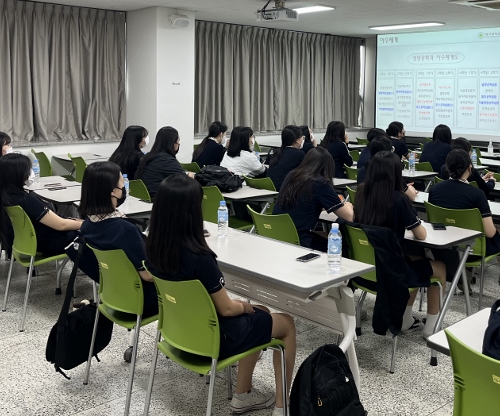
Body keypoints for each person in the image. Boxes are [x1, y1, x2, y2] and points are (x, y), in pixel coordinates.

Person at [145, 174, 296, 416]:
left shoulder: (154, 249)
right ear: (191, 212)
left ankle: (243, 395)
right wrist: (243, 306)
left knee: (263, 313)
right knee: (285, 323)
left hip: (180, 335)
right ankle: (282, 406)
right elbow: (226, 309)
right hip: (213, 340)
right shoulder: (200, 258)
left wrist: (245, 307)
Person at [354, 151, 448, 337]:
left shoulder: (361, 193)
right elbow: (421, 235)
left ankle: (406, 320)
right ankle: (431, 327)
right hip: (391, 272)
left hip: (366, 269)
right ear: (396, 173)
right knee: (440, 268)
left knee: (415, 259)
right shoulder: (398, 198)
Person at [77, 160, 157, 316]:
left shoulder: (87, 226)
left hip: (112, 295)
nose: (124, 187)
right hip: (142, 300)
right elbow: (148, 275)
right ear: (113, 191)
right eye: (122, 184)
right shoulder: (125, 230)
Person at [427, 149, 500, 284]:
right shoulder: (476, 194)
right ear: (470, 168)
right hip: (473, 248)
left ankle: (463, 279)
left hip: (444, 247)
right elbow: (490, 232)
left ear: (447, 168)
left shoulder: (434, 190)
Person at [0, 153, 81, 256]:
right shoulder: (26, 200)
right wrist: (86, 224)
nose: (30, 173)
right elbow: (61, 225)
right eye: (27, 170)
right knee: (90, 233)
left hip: (26, 242)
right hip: (47, 242)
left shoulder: (1, 196)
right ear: (18, 174)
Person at [274, 147, 354, 250]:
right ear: (327, 167)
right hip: (299, 241)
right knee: (341, 244)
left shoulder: (292, 174)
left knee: (323, 234)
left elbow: (304, 201)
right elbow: (348, 217)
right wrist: (348, 205)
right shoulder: (321, 183)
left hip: (278, 235)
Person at [134, 126, 190, 198]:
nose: (178, 145)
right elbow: (184, 180)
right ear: (172, 143)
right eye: (178, 142)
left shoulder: (147, 157)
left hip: (143, 197)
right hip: (158, 199)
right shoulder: (166, 160)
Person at [266, 125, 305, 190]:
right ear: (297, 140)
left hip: (271, 188)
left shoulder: (277, 151)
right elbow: (303, 175)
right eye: (302, 137)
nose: (303, 140)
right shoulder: (299, 154)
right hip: (284, 190)